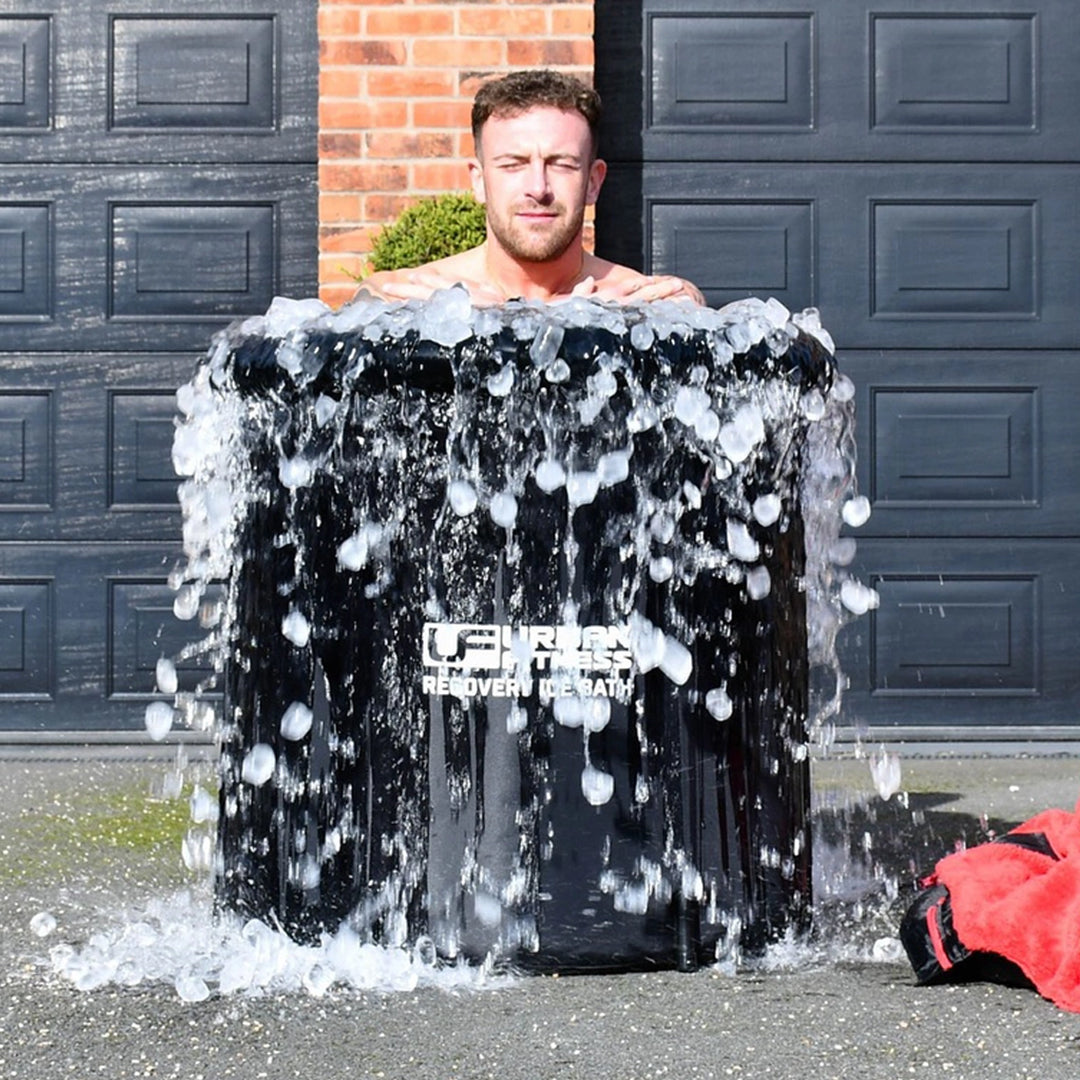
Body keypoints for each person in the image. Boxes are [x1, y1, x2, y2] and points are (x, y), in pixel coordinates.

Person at [353, 70, 705, 307]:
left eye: (562, 164)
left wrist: (690, 301)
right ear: (479, 180)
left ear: (594, 182)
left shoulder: (631, 302)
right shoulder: (429, 296)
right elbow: (367, 296)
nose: (538, 188)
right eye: (513, 164)